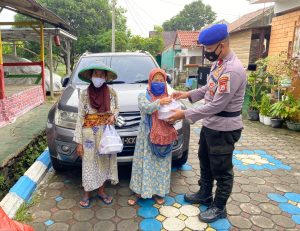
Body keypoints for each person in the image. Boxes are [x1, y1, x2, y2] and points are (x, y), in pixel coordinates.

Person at [168, 24, 247, 223]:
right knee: (205, 160)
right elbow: (208, 89)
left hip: (224, 129)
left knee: (222, 170)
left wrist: (183, 114)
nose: (206, 52)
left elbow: (216, 105)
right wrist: (186, 94)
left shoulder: (232, 71)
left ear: (221, 45)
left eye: (209, 48)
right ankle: (205, 193)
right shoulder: (218, 64)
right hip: (211, 126)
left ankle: (219, 207)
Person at [128, 68, 178, 206]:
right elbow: (146, 108)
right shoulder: (143, 96)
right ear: (150, 81)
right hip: (147, 136)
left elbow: (175, 114)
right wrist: (159, 103)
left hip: (164, 136)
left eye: (162, 81)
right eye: (156, 80)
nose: (159, 83)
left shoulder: (169, 96)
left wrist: (173, 119)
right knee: (143, 163)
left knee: (160, 165)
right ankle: (139, 192)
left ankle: (158, 192)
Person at [74, 64, 119, 208]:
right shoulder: (84, 94)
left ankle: (101, 191)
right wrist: (79, 142)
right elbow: (80, 117)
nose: (98, 77)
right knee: (88, 162)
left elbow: (117, 108)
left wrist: (114, 116)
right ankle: (86, 193)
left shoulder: (112, 92)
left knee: (104, 162)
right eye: (96, 74)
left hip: (105, 133)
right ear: (91, 76)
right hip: (88, 134)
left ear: (105, 77)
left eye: (101, 75)